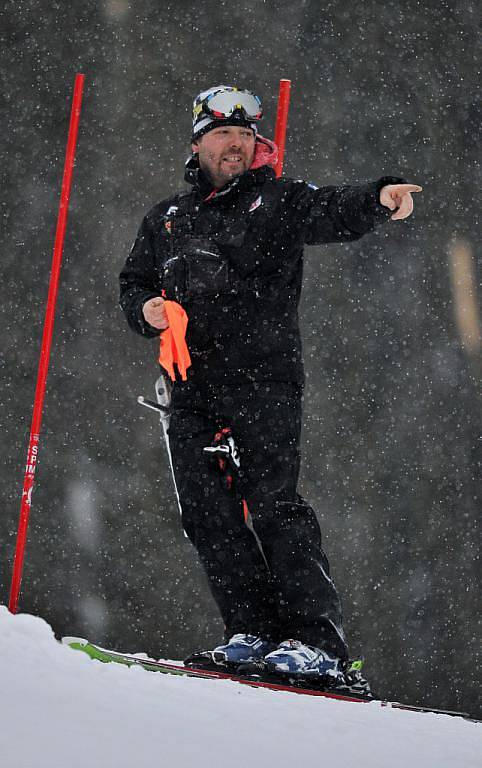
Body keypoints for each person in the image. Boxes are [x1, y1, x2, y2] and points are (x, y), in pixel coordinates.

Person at [119, 85, 421, 692]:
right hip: (189, 387)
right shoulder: (168, 218)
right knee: (206, 513)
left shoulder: (278, 200)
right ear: (198, 143)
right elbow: (134, 282)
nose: (235, 144)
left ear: (257, 144)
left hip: (263, 380)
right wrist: (147, 307)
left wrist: (379, 198)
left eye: (246, 134)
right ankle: (252, 631)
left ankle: (317, 644)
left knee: (275, 506)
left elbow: (333, 209)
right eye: (223, 134)